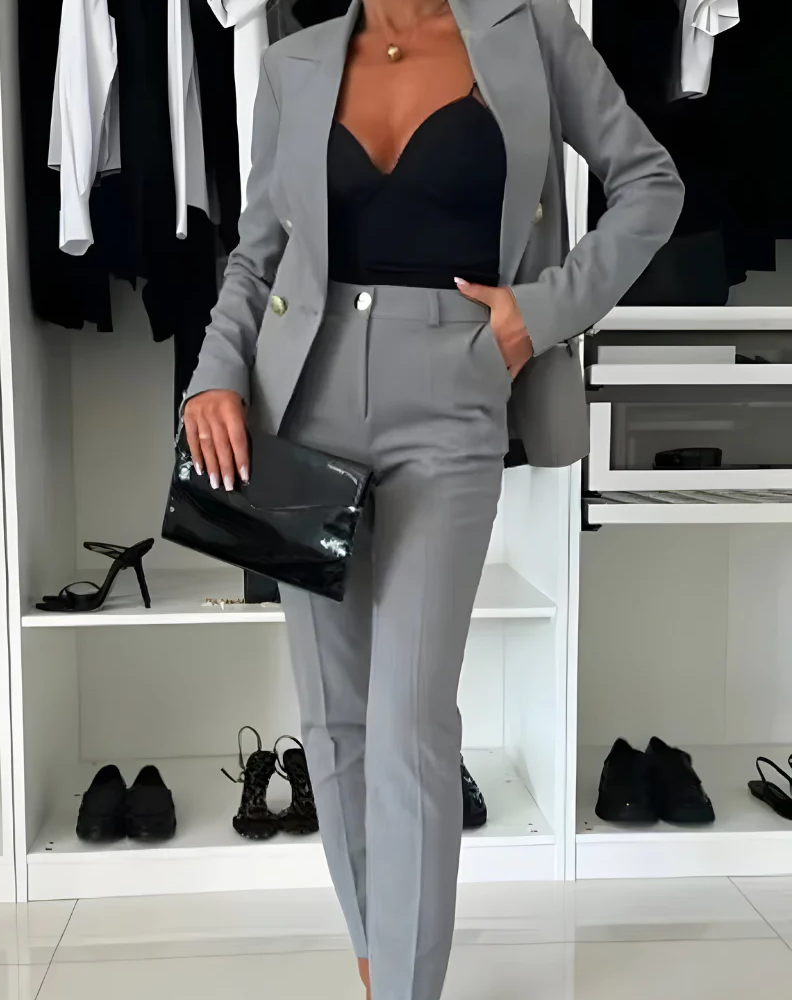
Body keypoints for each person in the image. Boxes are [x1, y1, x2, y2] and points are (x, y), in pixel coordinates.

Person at [182, 1, 684, 997]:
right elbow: (257, 249)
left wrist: (540, 314)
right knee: (333, 722)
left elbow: (649, 183)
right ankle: (382, 969)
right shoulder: (293, 62)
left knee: (409, 719)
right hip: (300, 404)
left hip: (453, 397)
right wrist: (213, 373)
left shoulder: (530, 31)